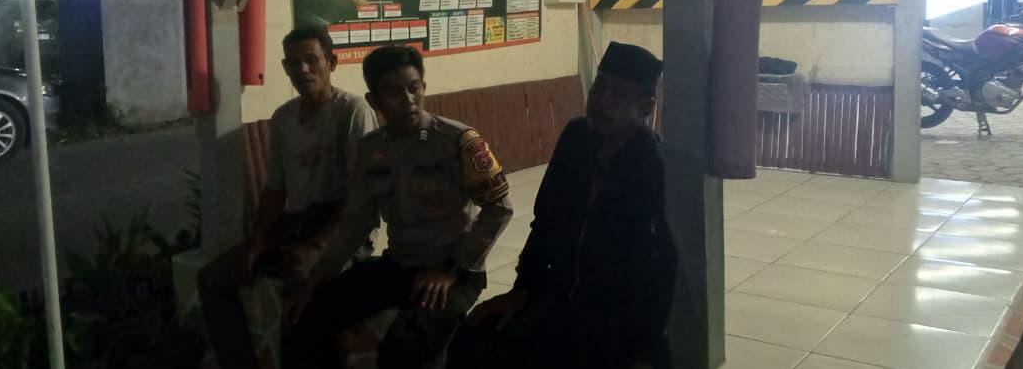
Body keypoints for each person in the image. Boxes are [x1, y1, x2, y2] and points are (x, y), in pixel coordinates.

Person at [449, 42, 676, 369]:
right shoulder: (576, 138)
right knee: (473, 338)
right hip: (558, 297)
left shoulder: (654, 164)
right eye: (599, 87)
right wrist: (522, 289)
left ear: (646, 106)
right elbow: (544, 223)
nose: (601, 101)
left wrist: (647, 349)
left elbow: (663, 264)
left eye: (618, 94)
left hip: (617, 316)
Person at [283, 45, 513, 369]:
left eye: (413, 88)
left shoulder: (459, 141)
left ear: (424, 87)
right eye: (393, 93)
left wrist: (451, 268)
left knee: (407, 346)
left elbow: (499, 208)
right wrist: (316, 280)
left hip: (453, 272)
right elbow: (356, 224)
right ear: (374, 101)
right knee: (307, 316)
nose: (408, 100)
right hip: (399, 264)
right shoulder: (371, 150)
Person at [198, 27, 377, 369]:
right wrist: (257, 241)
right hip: (295, 223)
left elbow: (361, 194)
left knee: (299, 285)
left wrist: (319, 244)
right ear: (285, 68)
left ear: (332, 62)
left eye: (312, 60)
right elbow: (275, 190)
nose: (303, 69)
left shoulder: (352, 111)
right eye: (293, 63)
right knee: (213, 278)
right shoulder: (283, 118)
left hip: (342, 226)